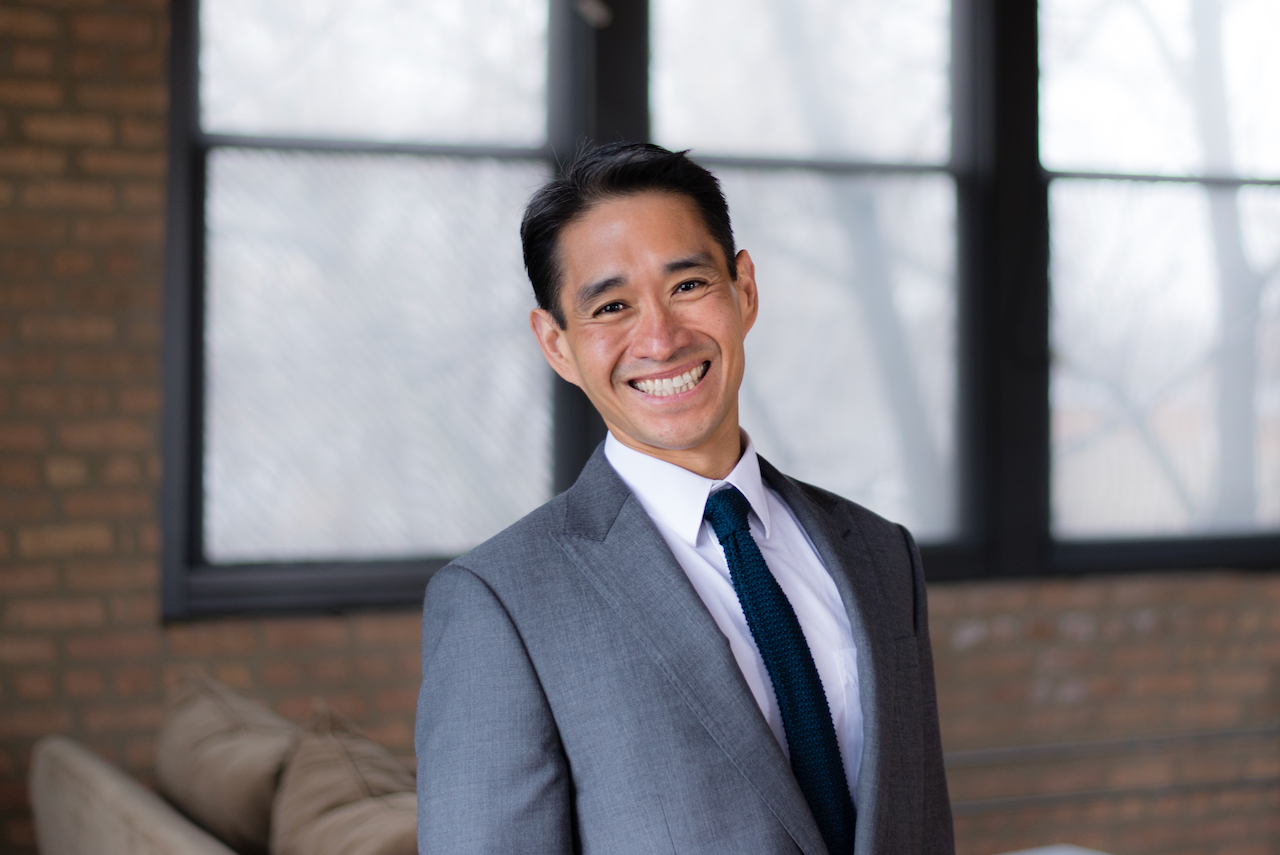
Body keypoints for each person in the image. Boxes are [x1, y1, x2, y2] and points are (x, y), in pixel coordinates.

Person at [416, 142, 953, 855]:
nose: (661, 338)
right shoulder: (501, 603)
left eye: (689, 285)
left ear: (745, 289)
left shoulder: (882, 554)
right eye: (611, 305)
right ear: (557, 344)